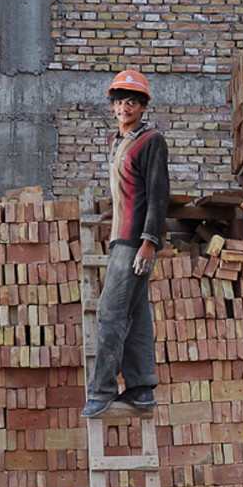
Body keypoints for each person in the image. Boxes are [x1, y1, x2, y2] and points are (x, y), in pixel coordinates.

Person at [80, 69, 170, 419]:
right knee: (136, 314)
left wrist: (149, 242)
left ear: (143, 106)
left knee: (110, 314)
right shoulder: (115, 141)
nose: (124, 107)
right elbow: (128, 192)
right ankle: (142, 388)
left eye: (132, 102)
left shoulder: (152, 141)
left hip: (136, 243)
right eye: (119, 102)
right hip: (122, 237)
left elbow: (158, 196)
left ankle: (101, 391)